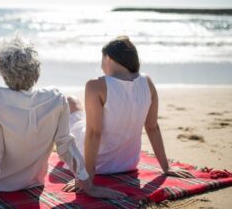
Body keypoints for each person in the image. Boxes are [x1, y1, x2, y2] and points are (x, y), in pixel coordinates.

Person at [0, 37, 126, 209]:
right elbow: (66, 147)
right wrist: (88, 186)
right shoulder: (56, 98)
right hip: (34, 181)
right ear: (36, 69)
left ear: (3, 72)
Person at [62, 36, 193, 193]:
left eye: (102, 59)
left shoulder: (95, 85)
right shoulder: (148, 82)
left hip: (96, 164)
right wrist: (166, 167)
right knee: (82, 116)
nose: (101, 66)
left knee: (69, 101)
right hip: (128, 163)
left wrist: (87, 177)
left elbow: (94, 134)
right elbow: (152, 127)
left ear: (108, 58)